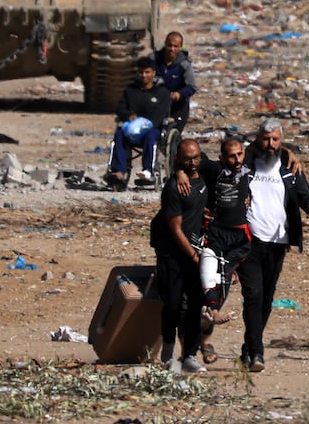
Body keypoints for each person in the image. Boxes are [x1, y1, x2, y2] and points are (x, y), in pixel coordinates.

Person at [236, 118, 309, 373]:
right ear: (258, 139)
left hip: (278, 242)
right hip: (250, 240)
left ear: (281, 141)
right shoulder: (245, 162)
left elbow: (305, 194)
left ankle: (248, 348)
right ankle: (257, 353)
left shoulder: (288, 166)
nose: (270, 144)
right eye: (266, 139)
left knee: (266, 299)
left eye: (275, 140)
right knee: (253, 295)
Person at [149, 139, 208, 373]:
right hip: (173, 254)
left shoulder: (204, 176)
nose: (192, 163)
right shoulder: (174, 188)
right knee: (172, 305)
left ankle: (190, 354)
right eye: (187, 159)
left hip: (196, 250)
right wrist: (194, 257)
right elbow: (175, 229)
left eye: (196, 158)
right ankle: (167, 353)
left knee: (194, 306)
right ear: (178, 160)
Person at [193, 137, 253, 364]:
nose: (236, 160)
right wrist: (179, 172)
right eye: (231, 156)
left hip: (238, 237)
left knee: (222, 284)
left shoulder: (250, 171)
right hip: (214, 232)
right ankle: (204, 336)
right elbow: (191, 157)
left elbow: (274, 150)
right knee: (208, 280)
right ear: (222, 158)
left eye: (240, 154)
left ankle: (210, 322)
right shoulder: (215, 170)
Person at [106, 56, 172, 186]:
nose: (143, 75)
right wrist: (129, 115)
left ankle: (147, 171)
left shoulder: (162, 93)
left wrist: (145, 124)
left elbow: (160, 116)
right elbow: (120, 108)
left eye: (147, 72)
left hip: (152, 129)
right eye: (141, 72)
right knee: (119, 134)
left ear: (153, 73)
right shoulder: (131, 90)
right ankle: (119, 171)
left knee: (151, 134)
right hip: (132, 129)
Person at [152, 32, 197, 131]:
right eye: (169, 45)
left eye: (175, 46)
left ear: (180, 47)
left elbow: (192, 87)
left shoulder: (184, 64)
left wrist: (179, 94)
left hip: (177, 106)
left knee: (174, 133)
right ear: (165, 44)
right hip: (156, 103)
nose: (172, 49)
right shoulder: (153, 59)